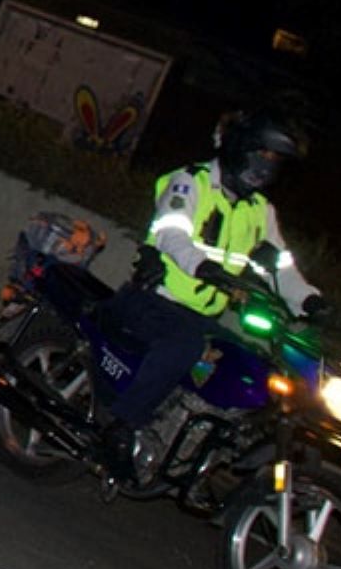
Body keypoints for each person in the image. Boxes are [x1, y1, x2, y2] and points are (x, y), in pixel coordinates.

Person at [96, 109, 325, 476]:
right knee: (183, 346)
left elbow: (280, 268)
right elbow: (173, 233)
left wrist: (312, 300)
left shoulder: (259, 211)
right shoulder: (191, 183)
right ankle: (121, 426)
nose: (266, 167)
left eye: (274, 160)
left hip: (201, 316)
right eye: (262, 154)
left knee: (250, 362)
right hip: (154, 301)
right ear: (240, 147)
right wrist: (203, 267)